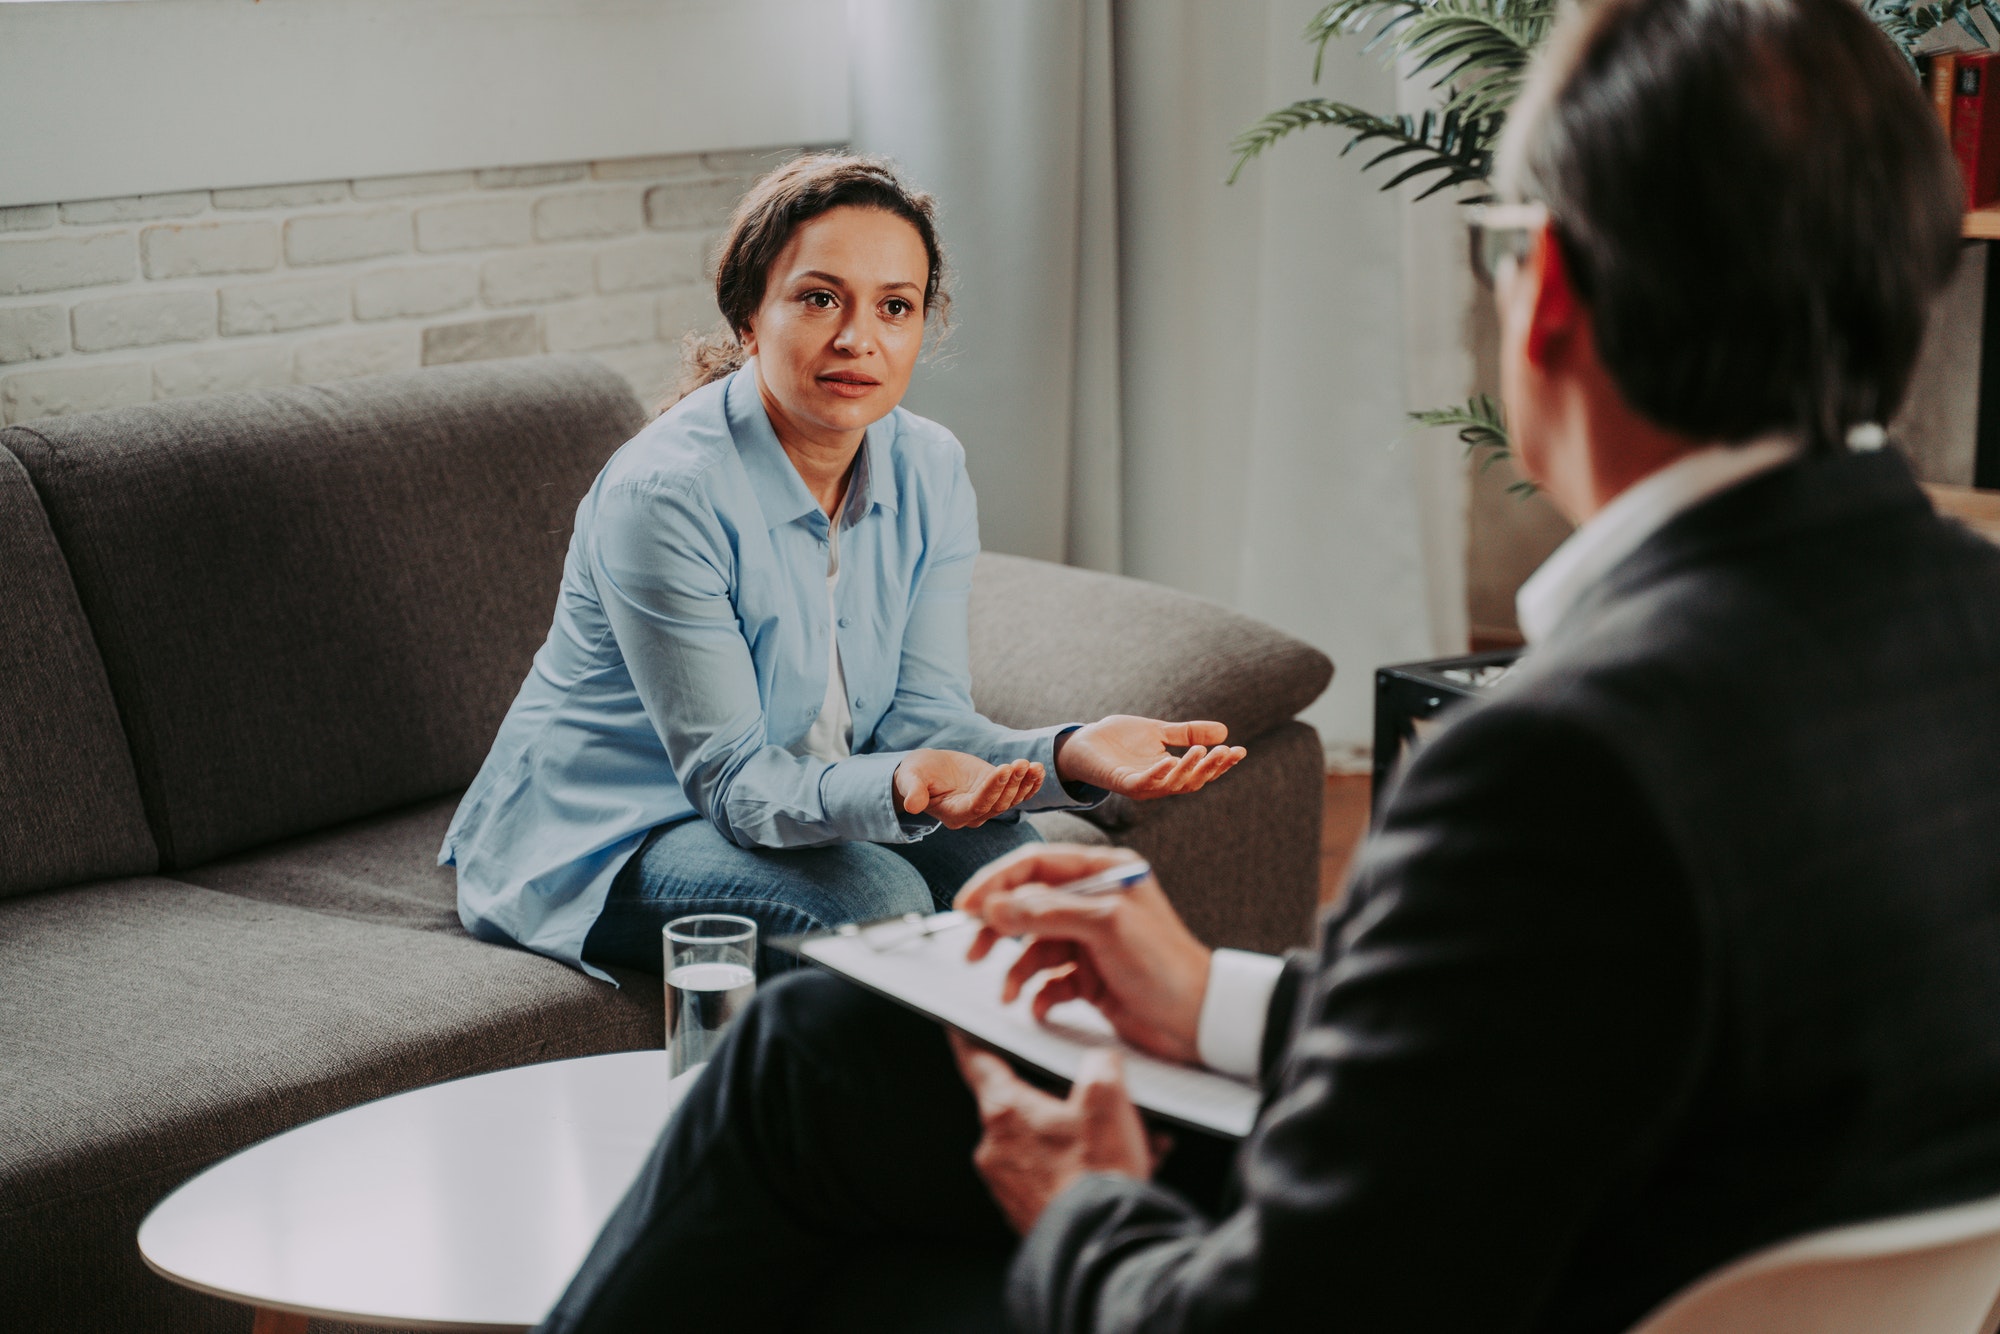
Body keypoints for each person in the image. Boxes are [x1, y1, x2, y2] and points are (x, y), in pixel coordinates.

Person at [533, 0, 2000, 1328]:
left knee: (810, 1077)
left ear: (1542, 292)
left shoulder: (1562, 762)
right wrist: (1213, 996)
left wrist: (1089, 1211)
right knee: (843, 1057)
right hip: (1610, 1235)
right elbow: (1532, 1046)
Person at [441, 154, 1244, 981]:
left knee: (1022, 877)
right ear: (749, 319)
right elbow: (736, 784)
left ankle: (1036, 1110)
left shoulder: (928, 467)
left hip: (798, 790)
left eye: (894, 307)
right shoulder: (666, 494)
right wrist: (897, 785)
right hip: (607, 832)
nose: (858, 338)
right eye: (820, 298)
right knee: (875, 901)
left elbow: (922, 718)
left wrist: (1072, 751)